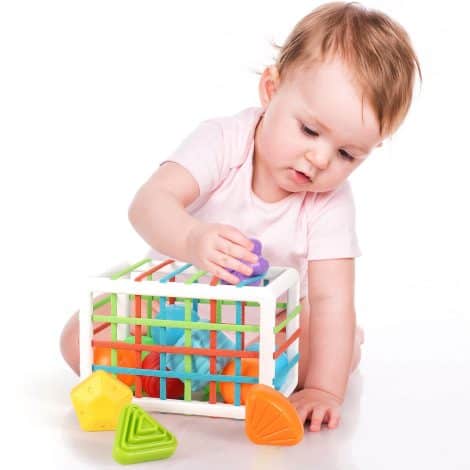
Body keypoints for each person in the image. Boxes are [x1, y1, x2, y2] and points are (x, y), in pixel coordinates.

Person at [61, 2, 421, 432]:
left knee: (325, 344)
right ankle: (178, 369)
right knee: (77, 342)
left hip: (264, 332)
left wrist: (324, 390)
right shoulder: (223, 142)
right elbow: (148, 204)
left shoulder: (331, 203)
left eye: (347, 154)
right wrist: (192, 238)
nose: (321, 158)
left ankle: (337, 352)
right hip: (173, 309)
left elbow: (331, 300)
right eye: (309, 130)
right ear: (271, 89)